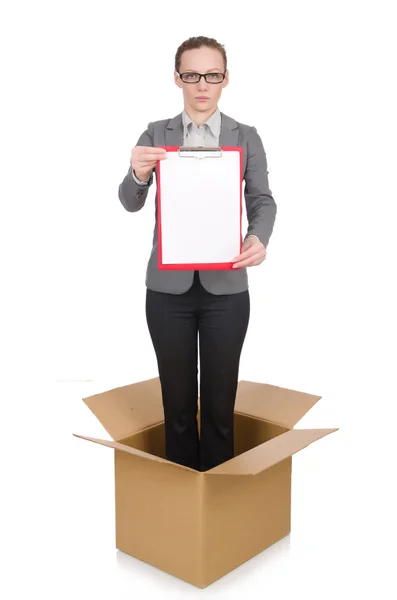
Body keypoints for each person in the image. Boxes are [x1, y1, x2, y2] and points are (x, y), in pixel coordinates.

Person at [118, 36, 277, 472]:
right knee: (178, 409)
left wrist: (259, 237)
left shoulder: (246, 136)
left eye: (212, 75)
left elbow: (263, 200)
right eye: (192, 75)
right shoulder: (156, 133)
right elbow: (130, 201)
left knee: (221, 409)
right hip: (168, 292)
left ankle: (218, 507)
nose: (202, 85)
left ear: (226, 79)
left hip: (226, 290)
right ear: (177, 78)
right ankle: (183, 506)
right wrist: (137, 172)